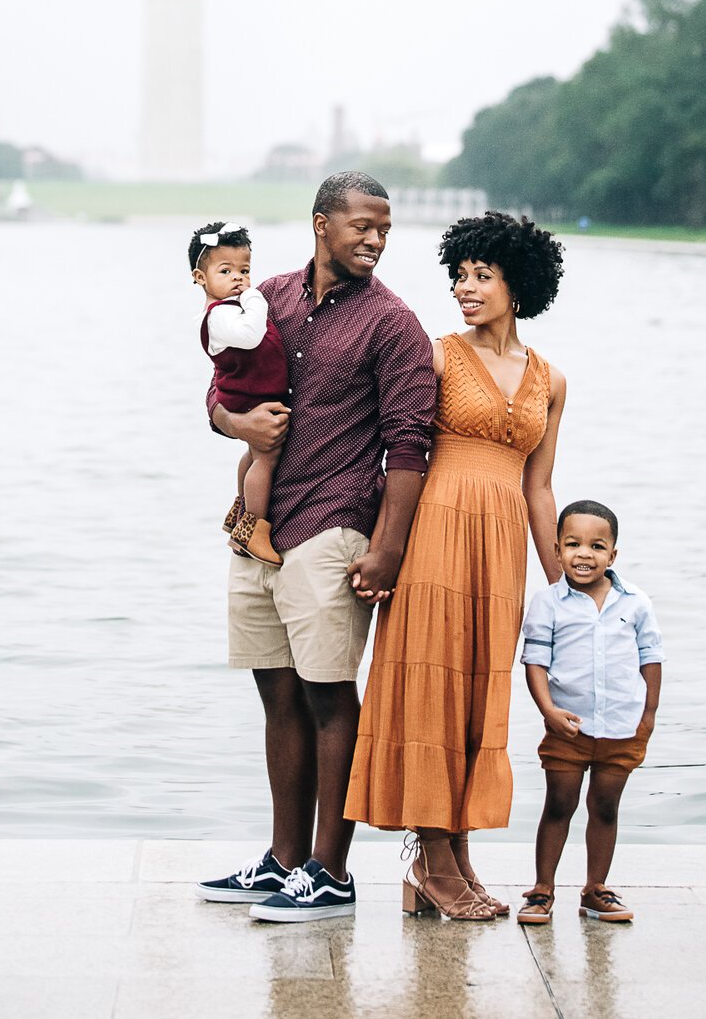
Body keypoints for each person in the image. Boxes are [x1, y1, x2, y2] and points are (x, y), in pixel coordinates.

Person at [196, 172, 434, 923]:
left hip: (334, 526)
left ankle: (331, 872)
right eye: (362, 225)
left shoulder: (394, 324)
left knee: (330, 696)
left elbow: (410, 445)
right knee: (275, 692)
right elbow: (219, 391)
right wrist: (238, 428)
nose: (374, 239)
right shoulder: (264, 295)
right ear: (320, 223)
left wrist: (388, 549)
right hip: (259, 527)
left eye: (384, 230)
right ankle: (285, 860)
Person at [346, 211, 569, 921]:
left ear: (518, 282)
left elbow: (539, 487)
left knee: (478, 696)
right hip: (435, 538)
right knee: (431, 690)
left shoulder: (551, 379)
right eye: (459, 276)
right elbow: (394, 446)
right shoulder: (437, 355)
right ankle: (433, 858)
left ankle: (456, 858)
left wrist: (566, 583)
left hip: (500, 547)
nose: (466, 289)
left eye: (482, 275)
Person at [517, 500, 664, 926]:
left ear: (613, 555)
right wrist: (548, 711)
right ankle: (543, 889)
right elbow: (535, 662)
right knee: (558, 805)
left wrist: (648, 715)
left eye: (597, 546)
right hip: (568, 728)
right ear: (557, 549)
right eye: (573, 544)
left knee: (605, 807)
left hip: (622, 726)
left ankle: (595, 889)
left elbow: (651, 657)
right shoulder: (548, 603)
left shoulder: (635, 602)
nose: (584, 554)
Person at [192, 219, 291, 567]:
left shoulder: (229, 309)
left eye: (244, 270)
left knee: (254, 455)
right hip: (249, 397)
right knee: (266, 458)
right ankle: (255, 529)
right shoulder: (219, 315)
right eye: (226, 270)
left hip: (252, 391)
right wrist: (254, 296)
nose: (238, 277)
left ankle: (240, 513)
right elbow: (250, 336)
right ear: (200, 278)